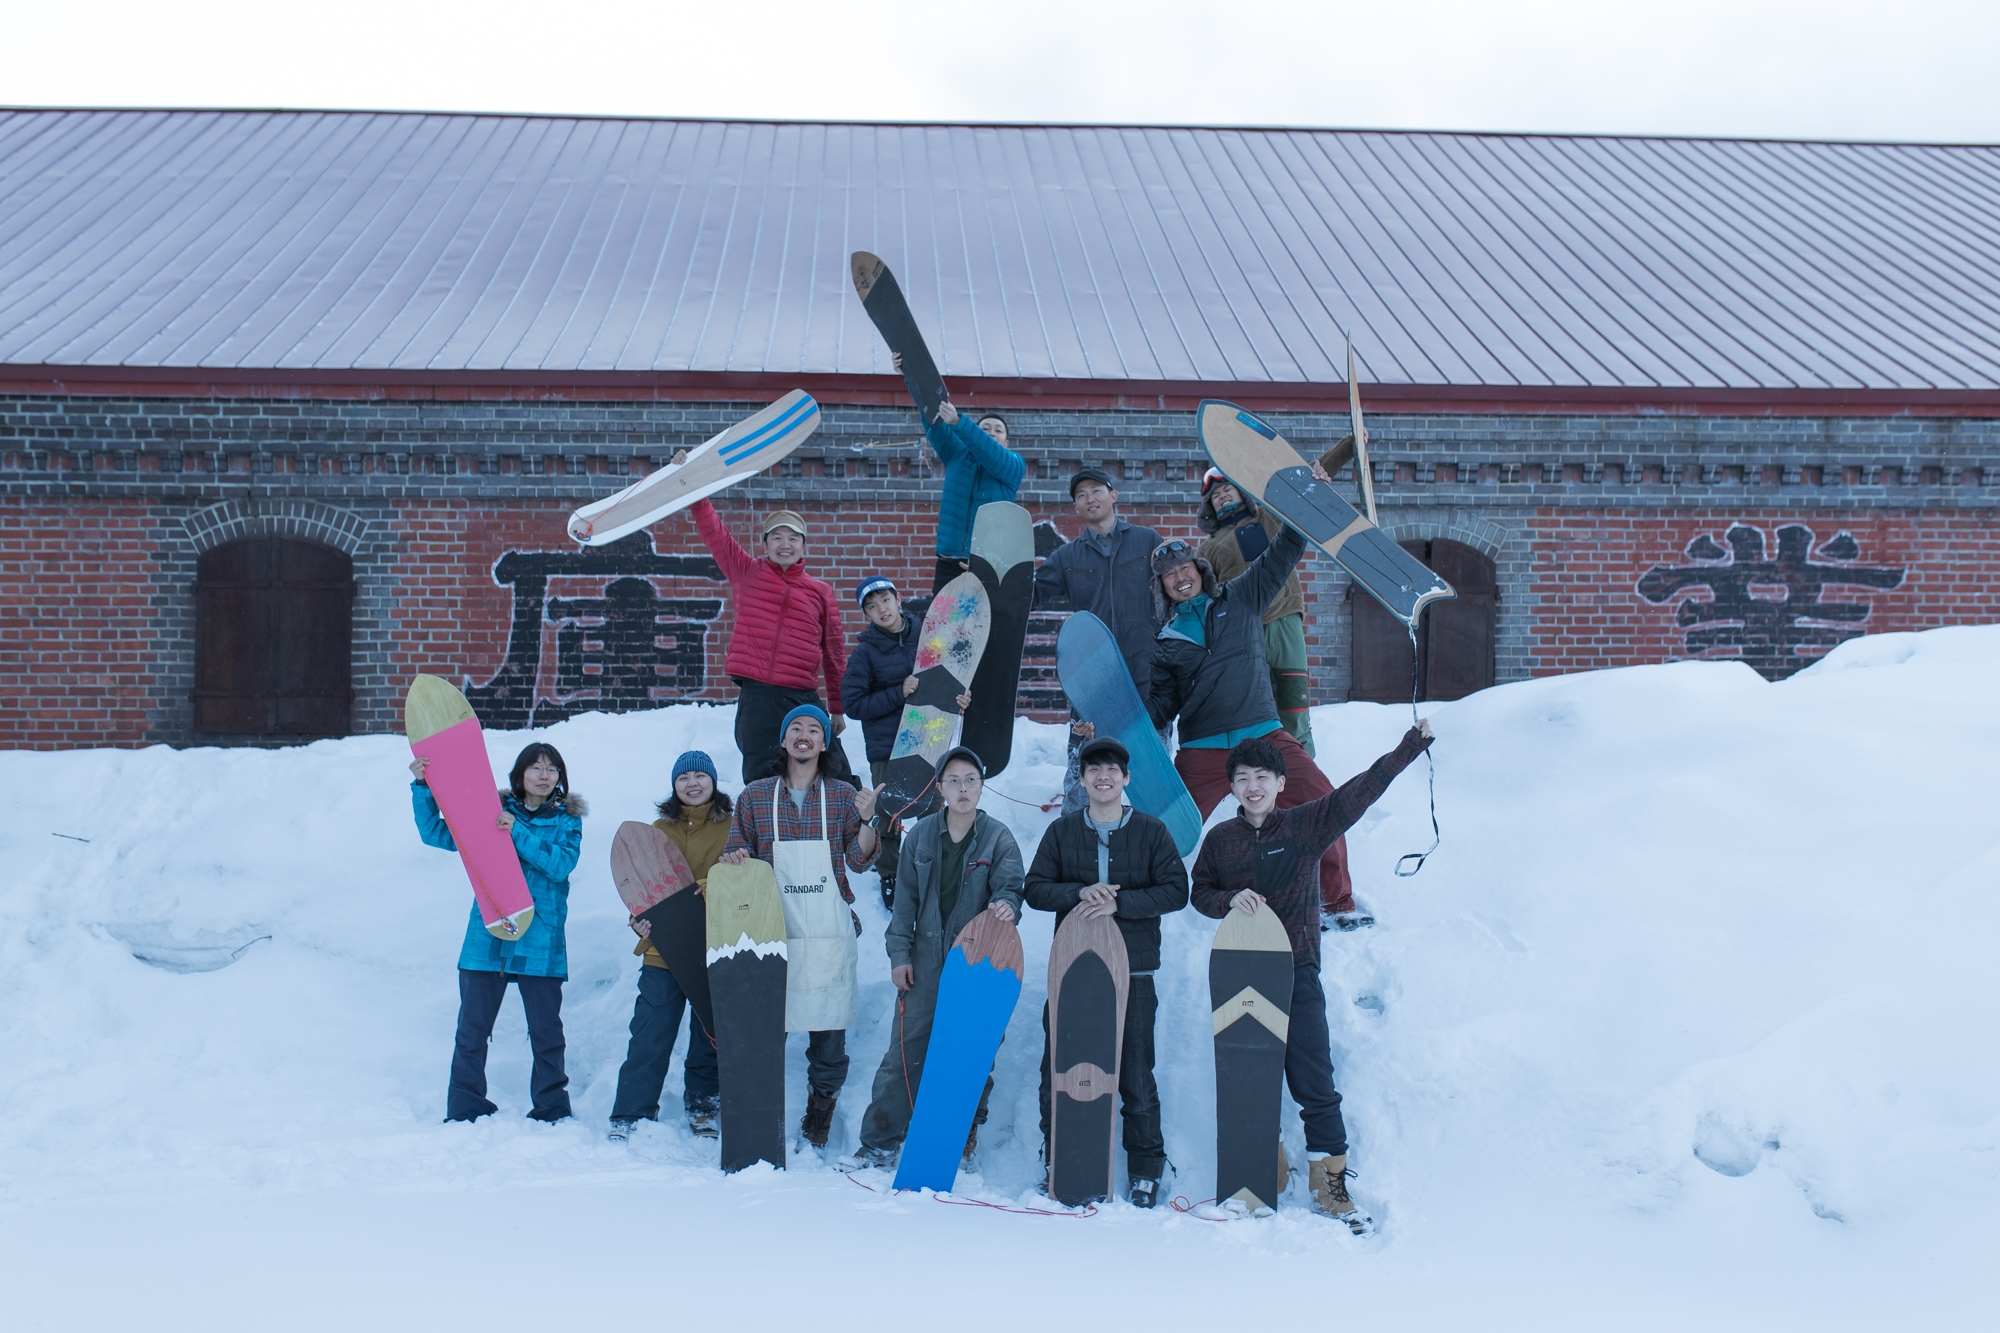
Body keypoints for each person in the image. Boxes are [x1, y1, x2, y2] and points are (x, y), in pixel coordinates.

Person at [1188, 724, 1433, 1233]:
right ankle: (1260, 1173)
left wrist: (1410, 746)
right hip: (1240, 972)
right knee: (1247, 1082)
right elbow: (1200, 892)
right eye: (1241, 778)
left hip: (1296, 971)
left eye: (1262, 776)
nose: (1252, 786)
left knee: (1315, 1082)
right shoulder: (1221, 840)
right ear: (1232, 787)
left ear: (1280, 783)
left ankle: (1331, 1186)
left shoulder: (1306, 825)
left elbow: (1361, 790)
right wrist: (1226, 900)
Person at [1141, 522, 1366, 931]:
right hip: (1202, 751)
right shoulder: (1167, 641)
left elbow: (1282, 553)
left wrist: (1303, 507)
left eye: (1184, 567)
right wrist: (1126, 716)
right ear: (1163, 588)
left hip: (1262, 733)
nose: (1179, 577)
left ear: (1199, 568)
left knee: (1323, 802)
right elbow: (1162, 705)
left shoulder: (1241, 596)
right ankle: (1140, 907)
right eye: (1169, 575)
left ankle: (1336, 901)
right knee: (1160, 828)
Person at [1022, 736, 1189, 1208]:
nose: (1103, 777)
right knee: (1060, 1069)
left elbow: (1176, 890)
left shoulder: (1152, 831)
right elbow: (1035, 889)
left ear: (1126, 778)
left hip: (1134, 970)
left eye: (1112, 770)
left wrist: (1122, 902)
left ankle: (1144, 1169)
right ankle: (1060, 1161)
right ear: (1082, 779)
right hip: (1073, 970)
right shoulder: (1062, 831)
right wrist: (1079, 893)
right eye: (1093, 770)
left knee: (1136, 1072)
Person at [845, 747, 1024, 1170]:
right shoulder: (922, 835)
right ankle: (880, 1142)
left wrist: (1006, 905)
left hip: (975, 961)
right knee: (904, 1053)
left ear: (981, 786)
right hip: (923, 958)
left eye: (971, 780)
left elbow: (1011, 887)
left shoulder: (999, 837)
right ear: (940, 789)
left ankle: (961, 1135)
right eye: (954, 781)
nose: (963, 789)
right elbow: (904, 902)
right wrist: (899, 955)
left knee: (972, 1050)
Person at [719, 704, 883, 1149]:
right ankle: (758, 1112)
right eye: (796, 728)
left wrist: (868, 820)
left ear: (824, 743)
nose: (805, 734)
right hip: (772, 933)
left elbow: (859, 860)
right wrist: (734, 859)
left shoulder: (846, 796)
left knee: (828, 1039)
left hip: (829, 934)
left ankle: (819, 1117)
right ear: (784, 740)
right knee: (764, 1031)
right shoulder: (754, 797)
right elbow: (737, 857)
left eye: (815, 729)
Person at [410, 741, 585, 1124]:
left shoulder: (567, 821)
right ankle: (465, 1106)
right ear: (520, 775)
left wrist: (517, 833)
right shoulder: (493, 811)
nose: (544, 775)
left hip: (541, 940)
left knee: (546, 1034)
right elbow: (437, 834)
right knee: (471, 1031)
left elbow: (560, 865)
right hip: (487, 937)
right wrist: (424, 787)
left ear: (560, 777)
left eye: (551, 769)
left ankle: (552, 1108)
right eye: (536, 768)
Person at [680, 453, 849, 784]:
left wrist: (837, 707)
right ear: (766, 544)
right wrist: (693, 485)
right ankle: (761, 835)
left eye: (792, 538)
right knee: (761, 773)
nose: (784, 544)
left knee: (834, 771)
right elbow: (714, 532)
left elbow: (834, 654)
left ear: (803, 547)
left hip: (801, 694)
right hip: (757, 696)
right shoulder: (746, 572)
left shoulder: (820, 591)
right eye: (776, 537)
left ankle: (848, 832)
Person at [608, 750, 729, 1142]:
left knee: (709, 1034)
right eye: (683, 778)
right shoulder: (656, 831)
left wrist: (702, 892)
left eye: (700, 776)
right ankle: (632, 1112)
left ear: (713, 781)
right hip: (663, 953)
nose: (692, 783)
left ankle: (704, 1107)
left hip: (717, 945)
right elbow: (642, 891)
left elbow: (739, 878)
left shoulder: (733, 827)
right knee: (649, 1032)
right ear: (674, 786)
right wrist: (639, 923)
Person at [1031, 467, 1164, 812]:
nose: (1090, 498)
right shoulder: (1067, 557)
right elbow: (1029, 595)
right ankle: (1073, 834)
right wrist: (996, 579)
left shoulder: (1147, 541)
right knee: (1084, 763)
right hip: (1091, 680)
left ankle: (1153, 837)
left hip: (1146, 674)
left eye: (1096, 490)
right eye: (1081, 495)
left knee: (1152, 767)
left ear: (1113, 495)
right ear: (1075, 507)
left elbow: (1180, 584)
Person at [894, 351, 1027, 593]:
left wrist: (959, 423)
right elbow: (932, 417)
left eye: (998, 431)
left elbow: (990, 454)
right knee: (941, 630)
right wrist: (911, 377)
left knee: (984, 630)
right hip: (948, 563)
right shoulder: (957, 455)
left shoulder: (1013, 465)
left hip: (988, 565)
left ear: (1006, 443)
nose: (991, 432)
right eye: (985, 427)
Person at [839, 575, 934, 908]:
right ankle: (889, 874)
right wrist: (898, 692)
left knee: (933, 808)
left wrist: (960, 698)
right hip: (887, 746)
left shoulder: (927, 635)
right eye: (871, 606)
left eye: (884, 600)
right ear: (866, 614)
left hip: (927, 739)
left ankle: (934, 869)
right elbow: (853, 705)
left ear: (898, 598)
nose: (881, 609)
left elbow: (949, 674)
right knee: (889, 811)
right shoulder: (865, 653)